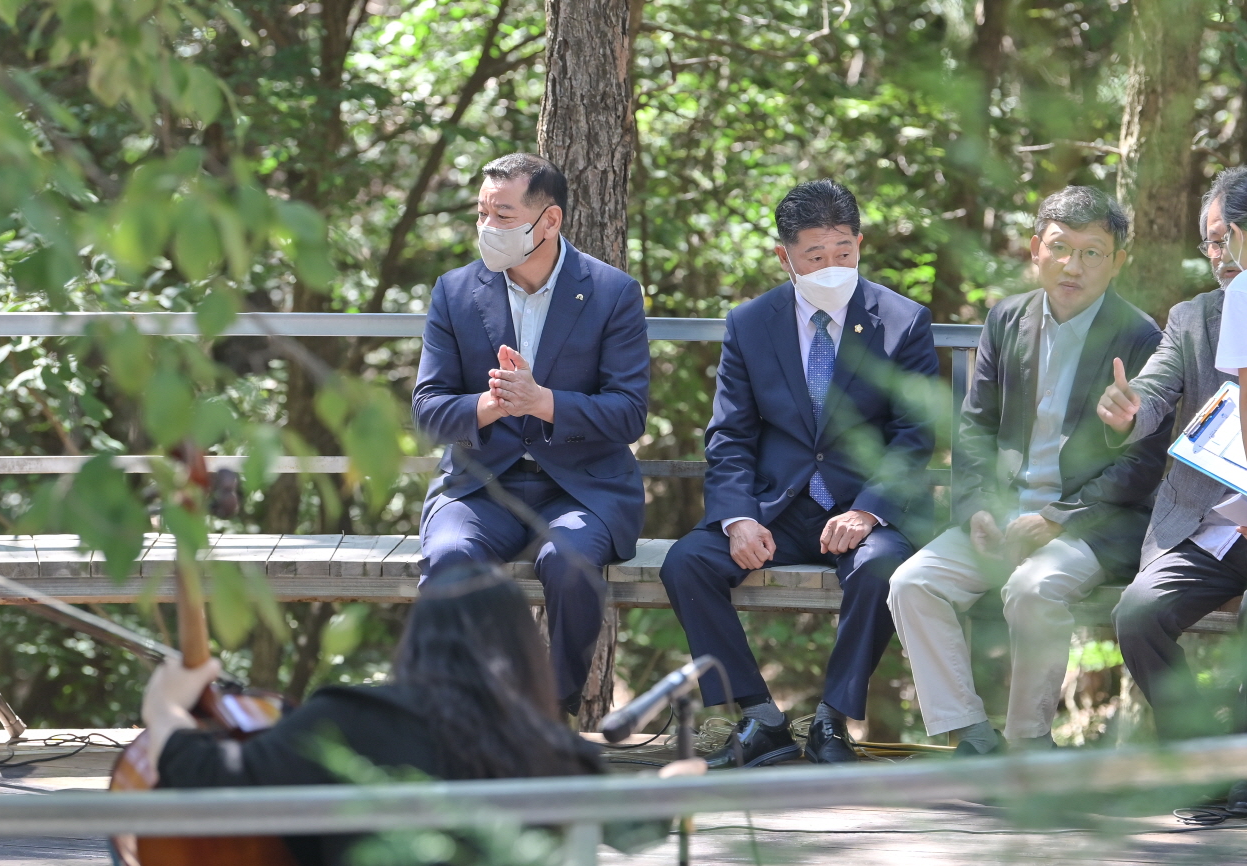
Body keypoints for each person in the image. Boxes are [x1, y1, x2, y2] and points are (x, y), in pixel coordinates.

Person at [658, 179, 939, 768]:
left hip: (863, 510)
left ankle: (832, 720)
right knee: (686, 563)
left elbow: (914, 435)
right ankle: (761, 718)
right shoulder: (751, 323)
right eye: (815, 255)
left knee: (881, 567)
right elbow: (730, 434)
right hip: (776, 509)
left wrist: (868, 510)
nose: (832, 267)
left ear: (860, 244)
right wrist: (737, 518)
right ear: (784, 256)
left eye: (844, 251)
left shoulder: (901, 320)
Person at [145, 563, 684, 866]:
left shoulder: (344, 720)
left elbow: (211, 777)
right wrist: (675, 788)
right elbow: (635, 829)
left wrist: (165, 708)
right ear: (523, 652)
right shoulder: (551, 752)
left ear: (419, 638)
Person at [887, 187, 1168, 755]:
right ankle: (972, 737)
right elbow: (975, 428)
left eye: (1092, 253)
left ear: (1117, 262)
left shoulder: (1140, 337)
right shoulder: (1007, 319)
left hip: (1090, 522)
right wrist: (976, 508)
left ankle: (1029, 742)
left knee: (1032, 589)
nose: (1073, 266)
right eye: (1060, 248)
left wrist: (1057, 518)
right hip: (1005, 513)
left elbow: (1141, 464)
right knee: (912, 584)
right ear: (1037, 249)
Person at [411, 153, 650, 714]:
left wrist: (544, 402)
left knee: (570, 564)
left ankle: (551, 709)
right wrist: (490, 406)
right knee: (449, 557)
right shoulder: (454, 291)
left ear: (549, 220)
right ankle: (465, 709)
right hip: (480, 488)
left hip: (580, 491)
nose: (487, 227)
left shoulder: (613, 292)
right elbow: (427, 411)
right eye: (482, 213)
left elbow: (629, 413)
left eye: (503, 215)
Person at [1098, 166, 1247, 814]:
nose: (1219, 254)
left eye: (1228, 237)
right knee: (1138, 613)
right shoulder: (1193, 318)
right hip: (1205, 521)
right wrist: (1129, 409)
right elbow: (1155, 389)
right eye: (1210, 241)